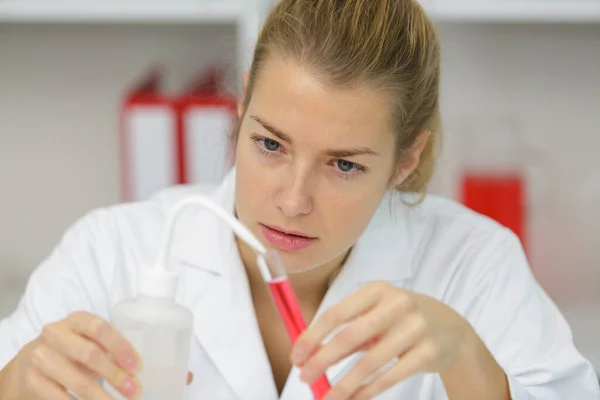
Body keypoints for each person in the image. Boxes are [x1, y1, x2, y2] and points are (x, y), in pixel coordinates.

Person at [1, 0, 599, 399]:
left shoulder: (473, 265)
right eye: (270, 144)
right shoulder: (110, 252)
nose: (291, 200)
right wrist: (17, 383)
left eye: (343, 164)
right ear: (239, 111)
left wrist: (469, 361)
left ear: (407, 157)